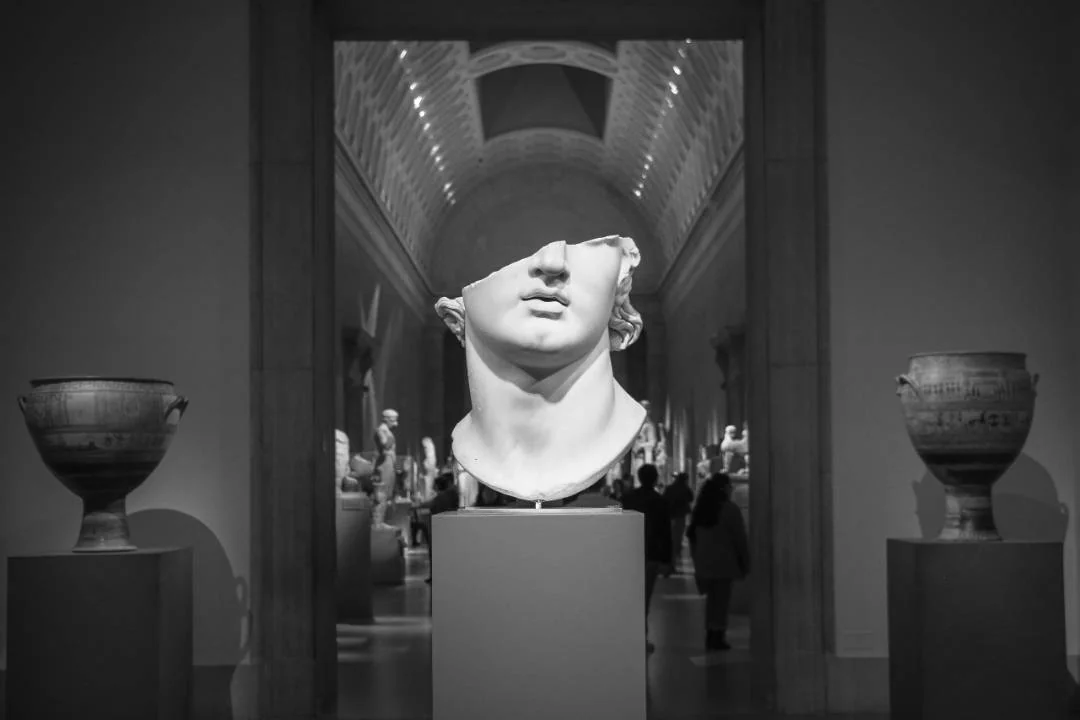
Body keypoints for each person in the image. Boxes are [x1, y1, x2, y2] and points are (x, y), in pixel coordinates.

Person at [687, 473, 750, 651]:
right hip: (724, 562)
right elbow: (740, 539)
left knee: (712, 601)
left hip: (705, 562)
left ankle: (711, 633)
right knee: (721, 601)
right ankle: (718, 635)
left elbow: (693, 538)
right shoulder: (730, 510)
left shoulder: (701, 511)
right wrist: (745, 561)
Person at [620, 463, 673, 653]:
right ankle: (641, 636)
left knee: (630, 597)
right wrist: (667, 560)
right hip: (651, 554)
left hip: (629, 554)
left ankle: (629, 635)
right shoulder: (659, 500)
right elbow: (665, 532)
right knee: (645, 598)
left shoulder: (628, 498)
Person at [662, 472, 695, 561]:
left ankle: (673, 550)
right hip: (680, 515)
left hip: (670, 514)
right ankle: (676, 550)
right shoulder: (685, 488)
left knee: (672, 533)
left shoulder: (670, 488)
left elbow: (664, 500)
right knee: (679, 534)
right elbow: (691, 498)